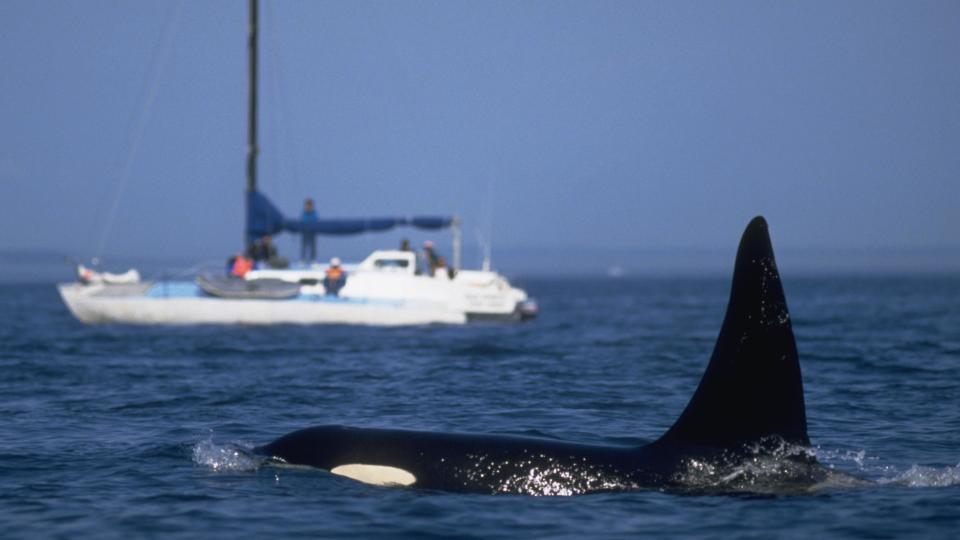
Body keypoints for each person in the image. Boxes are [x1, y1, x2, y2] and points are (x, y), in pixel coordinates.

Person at [301, 198, 318, 263]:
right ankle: (302, 259)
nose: (308, 206)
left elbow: (316, 221)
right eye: (307, 205)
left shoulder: (314, 213)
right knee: (304, 246)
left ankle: (313, 260)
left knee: (313, 247)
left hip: (312, 233)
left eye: (309, 205)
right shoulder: (304, 213)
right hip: (305, 233)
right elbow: (302, 221)